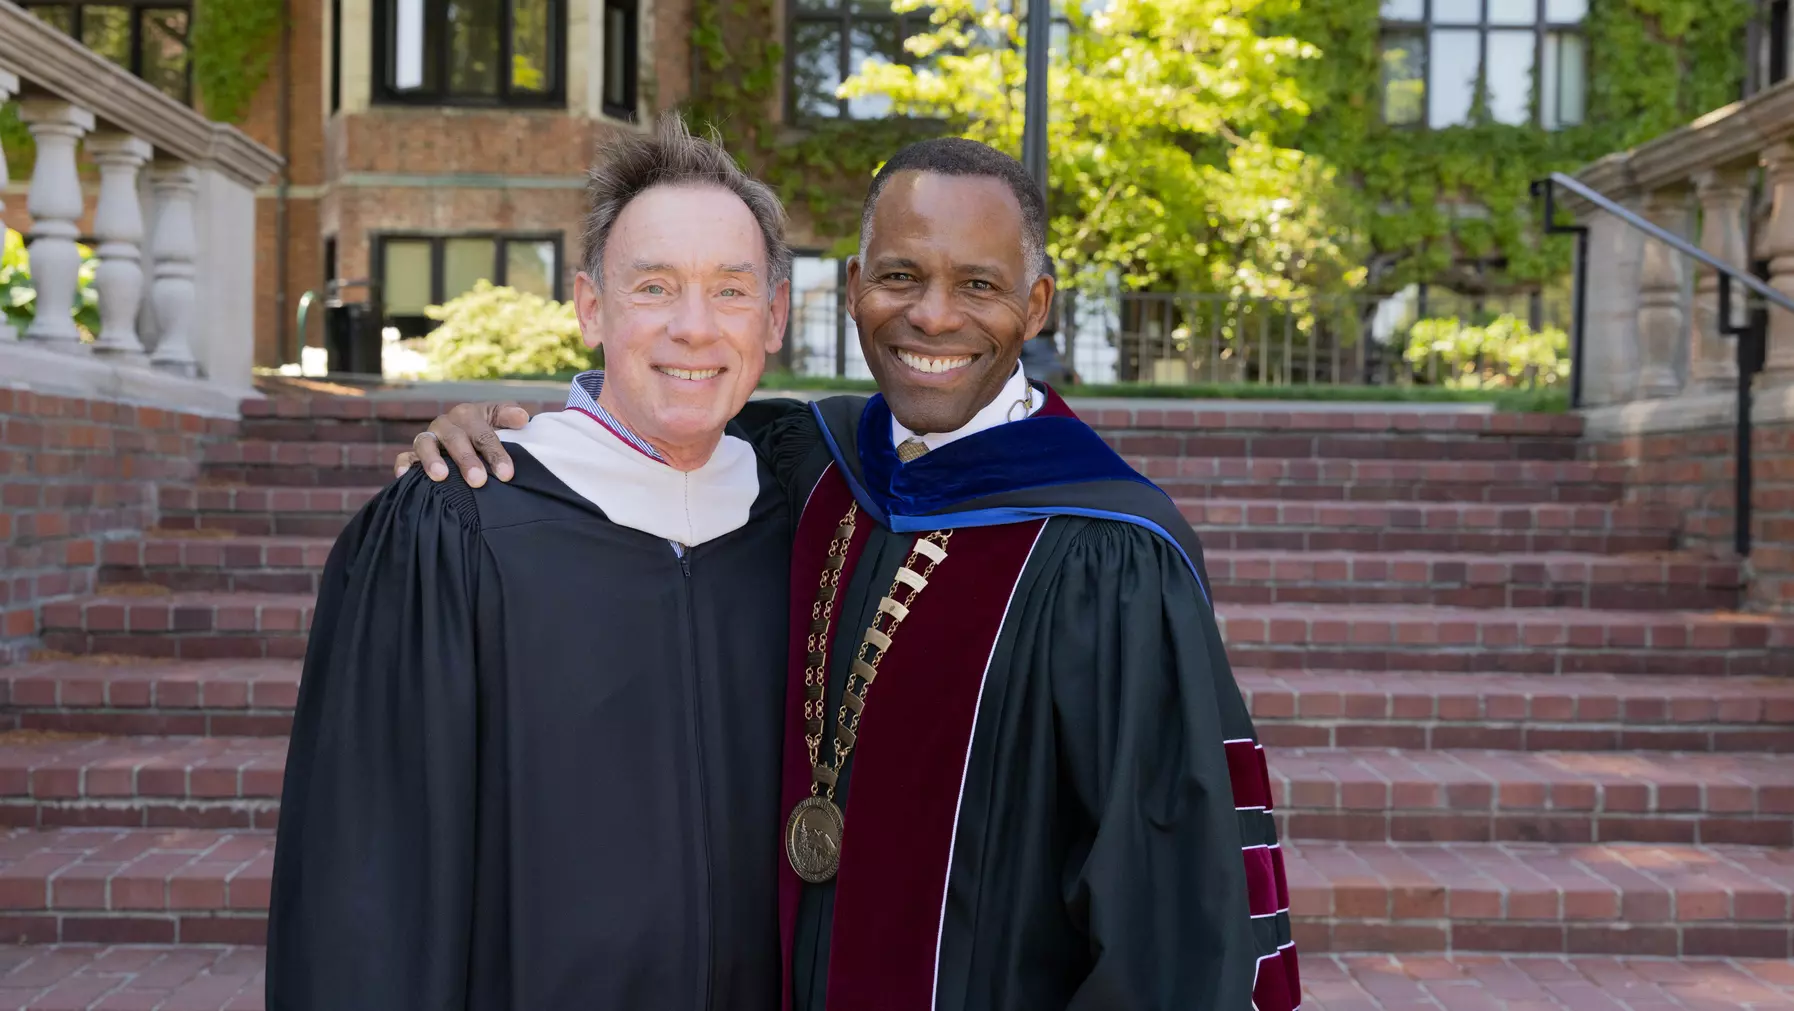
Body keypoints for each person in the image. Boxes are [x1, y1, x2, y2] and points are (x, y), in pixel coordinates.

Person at [400, 139, 1298, 1011]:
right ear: (855, 288)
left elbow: (1172, 917)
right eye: (900, 275)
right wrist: (507, 426)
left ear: (1036, 305)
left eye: (978, 285)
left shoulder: (1108, 555)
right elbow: (648, 421)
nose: (933, 315)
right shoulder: (814, 459)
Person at [266, 115, 794, 1010]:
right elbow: (369, 888)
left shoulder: (804, 512)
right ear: (591, 306)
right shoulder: (453, 524)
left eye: (732, 291)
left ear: (775, 316)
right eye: (655, 286)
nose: (694, 328)